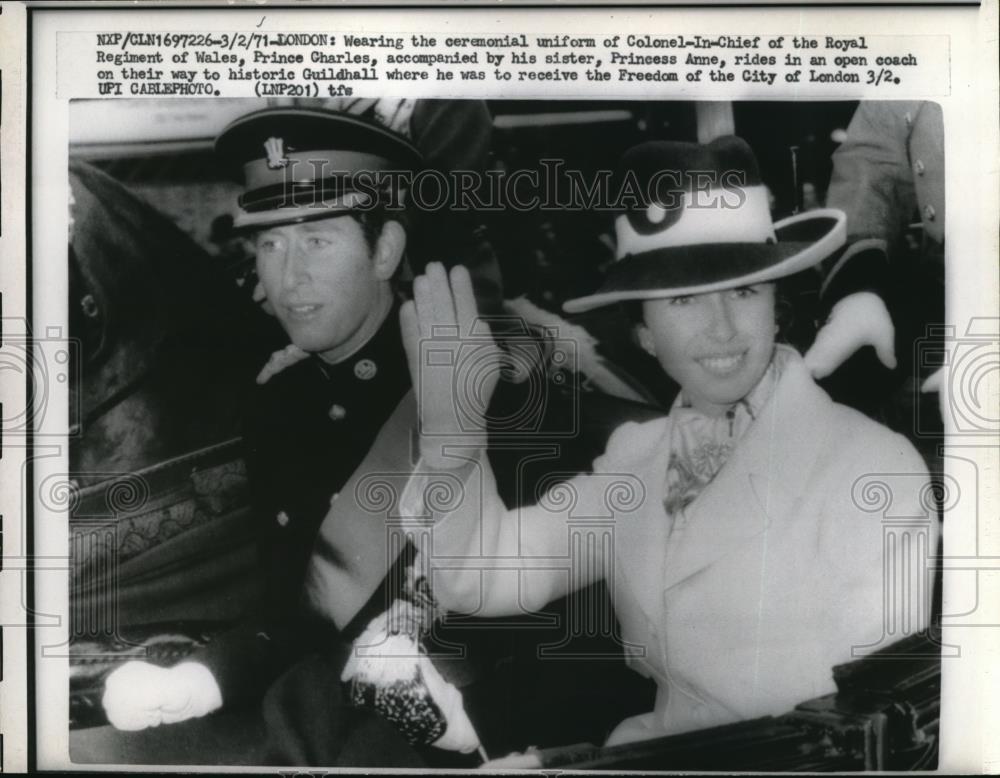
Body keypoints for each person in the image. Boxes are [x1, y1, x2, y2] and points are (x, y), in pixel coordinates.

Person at [398, 136, 938, 749]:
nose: (723, 328)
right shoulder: (638, 460)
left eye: (744, 290)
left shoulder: (873, 469)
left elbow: (867, 731)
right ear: (644, 334)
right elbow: (482, 575)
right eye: (683, 299)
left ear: (776, 305)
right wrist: (452, 440)